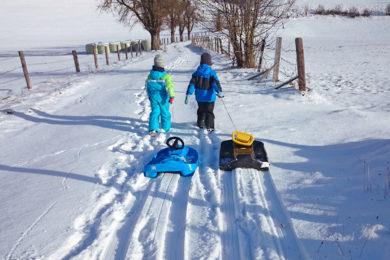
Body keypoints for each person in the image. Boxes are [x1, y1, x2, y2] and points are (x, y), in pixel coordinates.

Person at [185, 52, 223, 132]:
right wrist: (219, 91)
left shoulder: (196, 73)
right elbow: (215, 83)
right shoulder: (212, 73)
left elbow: (192, 85)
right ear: (209, 63)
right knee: (209, 111)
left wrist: (188, 94)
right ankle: (210, 126)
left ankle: (200, 123)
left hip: (200, 97)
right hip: (210, 98)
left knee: (201, 110)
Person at [145, 54, 174, 135]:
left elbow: (147, 87)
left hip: (153, 97)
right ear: (162, 64)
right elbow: (169, 87)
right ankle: (166, 127)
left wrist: (149, 96)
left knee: (155, 112)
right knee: (165, 112)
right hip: (163, 98)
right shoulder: (166, 76)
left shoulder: (150, 76)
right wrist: (172, 96)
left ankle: (153, 129)